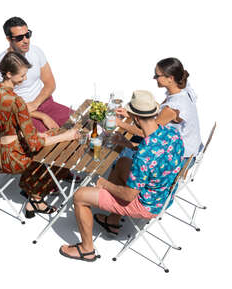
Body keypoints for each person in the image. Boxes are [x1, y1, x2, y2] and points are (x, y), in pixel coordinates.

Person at [59, 90, 185, 262]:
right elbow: (156, 158)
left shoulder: (145, 154)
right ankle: (112, 221)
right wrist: (127, 144)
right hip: (163, 194)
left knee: (80, 196)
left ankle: (86, 249)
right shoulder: (172, 134)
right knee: (124, 161)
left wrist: (104, 184)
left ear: (135, 117)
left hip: (147, 205)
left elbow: (128, 195)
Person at [0, 51, 79, 219]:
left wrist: (38, 134)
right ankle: (35, 197)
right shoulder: (17, 101)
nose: (25, 79)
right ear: (8, 74)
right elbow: (34, 144)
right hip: (11, 158)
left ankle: (35, 196)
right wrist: (65, 137)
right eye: (21, 76)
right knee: (59, 153)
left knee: (50, 138)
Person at [0, 16, 72, 132]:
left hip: (45, 102)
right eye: (19, 38)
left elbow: (50, 84)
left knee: (78, 124)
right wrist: (40, 114)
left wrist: (36, 103)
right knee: (52, 141)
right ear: (9, 39)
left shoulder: (36, 52)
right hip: (24, 113)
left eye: (27, 35)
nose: (26, 40)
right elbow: (6, 106)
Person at [116, 57, 202, 165]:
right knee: (127, 141)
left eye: (157, 75)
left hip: (182, 154)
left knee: (123, 154)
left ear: (170, 78)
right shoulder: (181, 89)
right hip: (189, 144)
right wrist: (131, 114)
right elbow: (157, 115)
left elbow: (147, 133)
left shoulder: (173, 107)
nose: (154, 78)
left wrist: (119, 124)